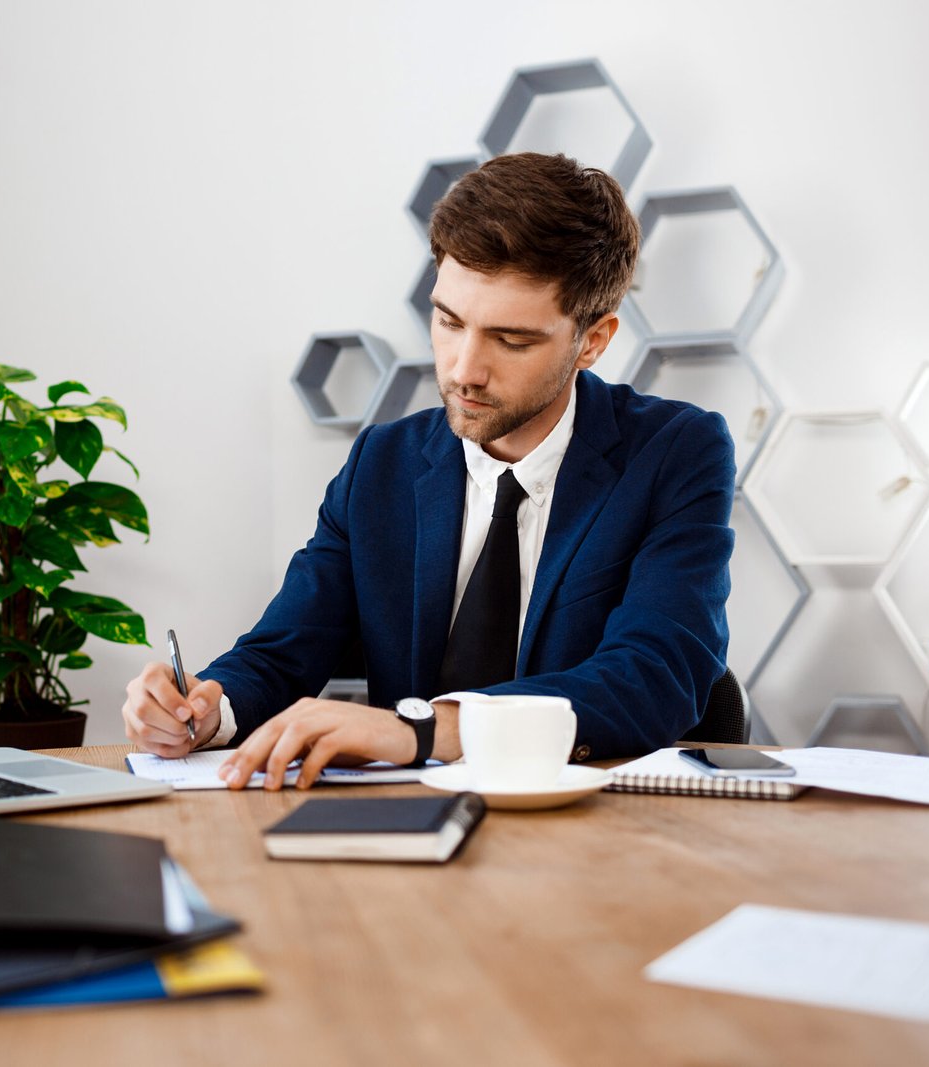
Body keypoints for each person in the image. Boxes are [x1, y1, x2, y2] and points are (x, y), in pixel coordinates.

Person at [122, 151, 735, 789]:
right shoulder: (381, 463)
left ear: (594, 340)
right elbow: (282, 651)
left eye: (512, 340)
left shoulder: (675, 452)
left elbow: (656, 673)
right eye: (448, 321)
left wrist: (420, 731)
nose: (463, 369)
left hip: (592, 825)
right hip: (410, 829)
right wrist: (203, 711)